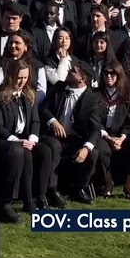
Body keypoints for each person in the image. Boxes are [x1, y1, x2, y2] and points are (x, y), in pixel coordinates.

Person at [37, 60, 110, 204]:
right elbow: (43, 108)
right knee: (54, 146)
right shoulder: (59, 87)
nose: (68, 73)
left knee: (93, 153)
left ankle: (78, 189)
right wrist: (53, 121)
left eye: (73, 72)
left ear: (83, 79)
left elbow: (95, 129)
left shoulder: (94, 100)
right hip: (54, 137)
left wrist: (85, 147)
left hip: (76, 139)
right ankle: (52, 189)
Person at [97, 61, 130, 200]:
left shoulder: (128, 96)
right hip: (102, 135)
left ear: (119, 75)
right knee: (101, 150)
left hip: (123, 136)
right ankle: (107, 183)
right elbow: (92, 120)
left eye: (112, 73)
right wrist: (108, 137)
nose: (109, 76)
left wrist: (121, 138)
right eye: (106, 73)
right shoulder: (96, 95)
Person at [0, 59, 43, 223]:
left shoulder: (28, 95)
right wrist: (16, 140)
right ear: (10, 76)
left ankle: (31, 199)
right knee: (18, 151)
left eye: (25, 78)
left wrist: (32, 138)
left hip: (22, 140)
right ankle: (5, 202)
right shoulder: (2, 96)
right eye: (19, 78)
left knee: (41, 150)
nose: (22, 81)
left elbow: (36, 122)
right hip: (5, 140)